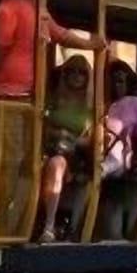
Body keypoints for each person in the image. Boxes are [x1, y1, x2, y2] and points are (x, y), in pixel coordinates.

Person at [0, 0, 101, 99]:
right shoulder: (39, 8)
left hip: (0, 90)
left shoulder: (9, 4)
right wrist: (90, 44)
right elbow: (62, 36)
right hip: (27, 89)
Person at [35, 55, 93, 242]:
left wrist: (70, 139)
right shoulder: (52, 98)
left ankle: (49, 226)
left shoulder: (91, 105)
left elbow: (92, 139)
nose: (77, 76)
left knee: (56, 164)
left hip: (75, 155)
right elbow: (40, 124)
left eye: (82, 72)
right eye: (72, 71)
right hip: (48, 146)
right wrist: (54, 133)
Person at [95, 62, 137, 240]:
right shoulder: (100, 103)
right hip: (95, 152)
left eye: (119, 80)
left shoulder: (134, 103)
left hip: (120, 157)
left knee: (112, 156)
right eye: (110, 81)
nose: (115, 85)